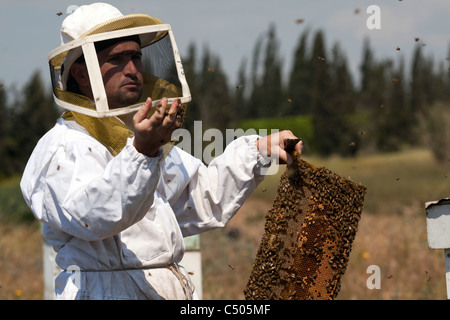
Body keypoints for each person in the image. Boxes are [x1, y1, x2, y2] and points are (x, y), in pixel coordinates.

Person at [20, 3, 302, 300]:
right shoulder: (63, 148)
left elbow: (204, 199)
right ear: (82, 72)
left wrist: (258, 151)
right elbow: (95, 217)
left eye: (136, 57)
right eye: (117, 59)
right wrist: (142, 152)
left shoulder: (140, 139)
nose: (132, 70)